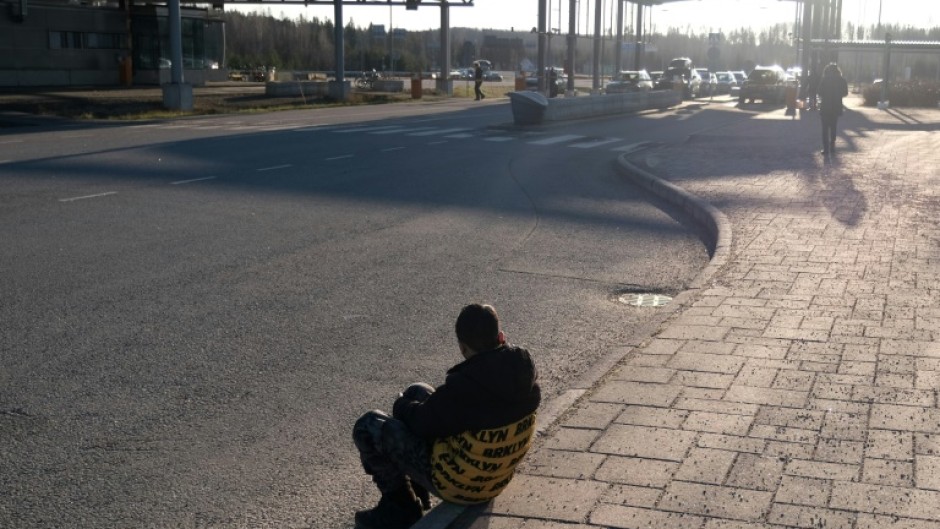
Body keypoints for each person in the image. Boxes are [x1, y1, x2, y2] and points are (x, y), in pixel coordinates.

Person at [352, 304, 541, 529]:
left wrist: (400, 404)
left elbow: (422, 423)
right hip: (496, 479)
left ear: (463, 348)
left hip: (460, 485)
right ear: (501, 337)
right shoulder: (522, 370)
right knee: (418, 391)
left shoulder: (465, 388)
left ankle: (401, 507)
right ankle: (417, 493)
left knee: (369, 426)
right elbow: (441, 413)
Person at [817, 63, 848, 155]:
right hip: (836, 107)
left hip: (825, 107)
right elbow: (845, 93)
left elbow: (819, 92)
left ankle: (826, 149)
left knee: (825, 129)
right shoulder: (842, 80)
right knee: (834, 127)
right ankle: (832, 147)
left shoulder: (825, 79)